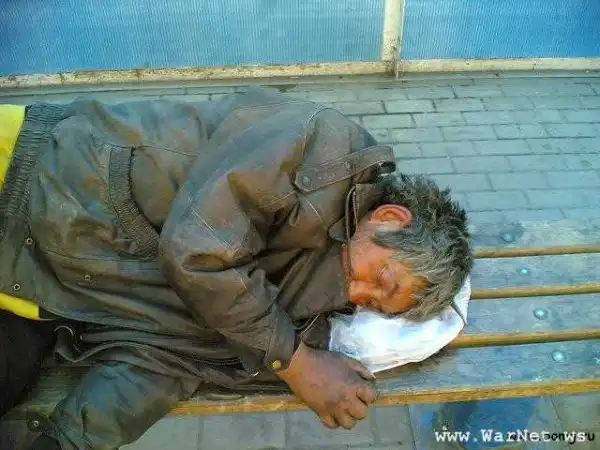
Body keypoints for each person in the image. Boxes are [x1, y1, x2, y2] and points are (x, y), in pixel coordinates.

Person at [0, 88, 472, 449]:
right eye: (383, 280)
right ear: (389, 218)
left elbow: (173, 359)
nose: (361, 295)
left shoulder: (286, 309)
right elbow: (201, 251)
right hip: (29, 173)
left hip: (44, 294)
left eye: (376, 306)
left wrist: (70, 440)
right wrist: (295, 363)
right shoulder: (322, 147)